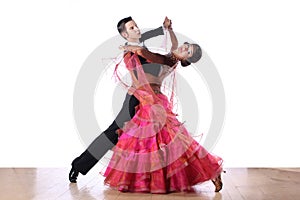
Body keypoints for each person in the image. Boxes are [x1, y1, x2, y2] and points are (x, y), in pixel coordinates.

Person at [103, 41, 224, 193]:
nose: (184, 47)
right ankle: (149, 180)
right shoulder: (170, 58)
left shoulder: (167, 61)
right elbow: (170, 48)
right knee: (147, 141)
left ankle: (212, 170)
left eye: (188, 51)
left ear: (185, 59)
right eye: (186, 46)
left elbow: (143, 52)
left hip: (154, 101)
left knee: (173, 140)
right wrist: (169, 30)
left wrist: (128, 47)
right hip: (146, 99)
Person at [69, 16, 175, 183]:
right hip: (136, 98)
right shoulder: (130, 51)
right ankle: (79, 165)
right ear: (125, 35)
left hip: (150, 98)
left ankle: (153, 178)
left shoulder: (140, 45)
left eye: (137, 26)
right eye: (132, 28)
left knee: (152, 138)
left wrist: (164, 28)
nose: (137, 29)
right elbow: (139, 74)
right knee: (113, 133)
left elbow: (148, 36)